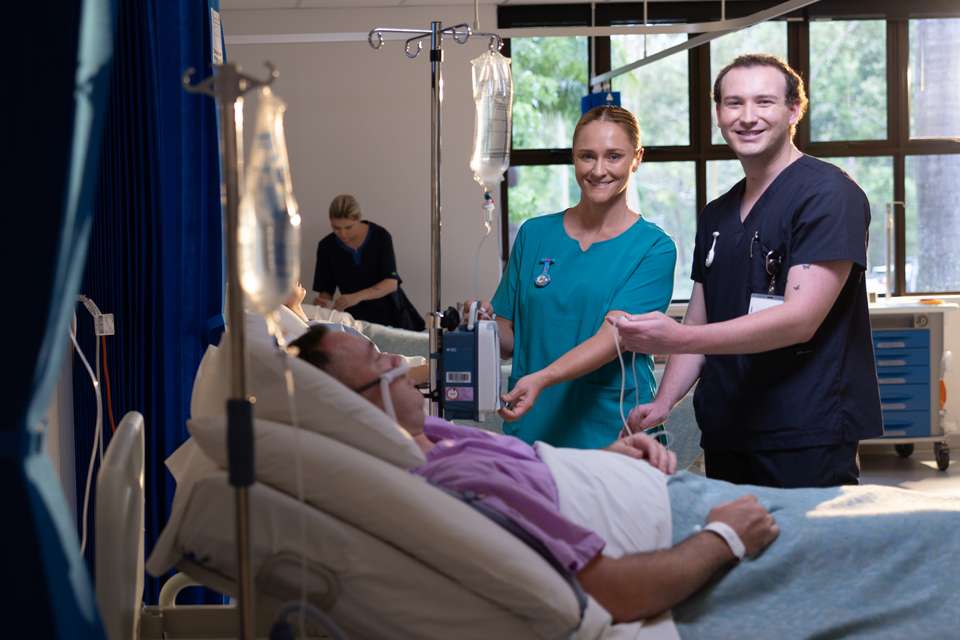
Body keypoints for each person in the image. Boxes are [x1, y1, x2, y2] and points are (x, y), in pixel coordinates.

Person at [288, 325, 960, 638]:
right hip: (696, 530)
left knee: (882, 508)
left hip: (668, 493)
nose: (400, 365)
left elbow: (542, 480)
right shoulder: (452, 479)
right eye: (379, 359)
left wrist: (611, 457)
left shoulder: (438, 436)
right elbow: (606, 589)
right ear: (352, 402)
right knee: (914, 538)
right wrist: (724, 535)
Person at [615, 54, 882, 489]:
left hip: (804, 433)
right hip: (728, 431)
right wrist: (664, 400)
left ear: (795, 110)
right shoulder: (717, 214)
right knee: (734, 552)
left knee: (803, 554)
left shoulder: (830, 195)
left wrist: (677, 337)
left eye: (764, 102)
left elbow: (800, 320)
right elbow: (699, 320)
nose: (747, 117)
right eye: (733, 103)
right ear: (718, 114)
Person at [478, 106, 677, 449]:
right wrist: (481, 327)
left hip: (614, 428)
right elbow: (512, 340)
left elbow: (614, 337)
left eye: (614, 156)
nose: (598, 170)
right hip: (534, 423)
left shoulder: (653, 248)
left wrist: (543, 378)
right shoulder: (535, 235)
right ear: (574, 158)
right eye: (587, 156)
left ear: (637, 158)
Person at [313, 194, 425, 331]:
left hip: (392, 315)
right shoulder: (327, 246)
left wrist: (355, 297)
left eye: (348, 227)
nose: (342, 234)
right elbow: (326, 290)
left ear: (358, 219)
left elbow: (391, 283)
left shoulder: (381, 236)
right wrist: (323, 306)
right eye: (336, 228)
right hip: (356, 321)